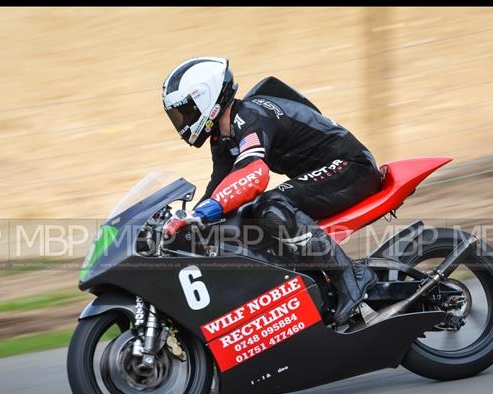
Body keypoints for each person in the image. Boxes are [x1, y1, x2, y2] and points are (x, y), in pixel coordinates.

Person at [161, 56, 382, 325]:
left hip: (352, 167)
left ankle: (351, 276)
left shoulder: (250, 116)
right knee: (245, 216)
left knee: (272, 206)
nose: (183, 120)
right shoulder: (222, 137)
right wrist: (188, 219)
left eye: (186, 111)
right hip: (324, 176)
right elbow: (219, 187)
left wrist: (203, 213)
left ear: (206, 99)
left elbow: (254, 174)